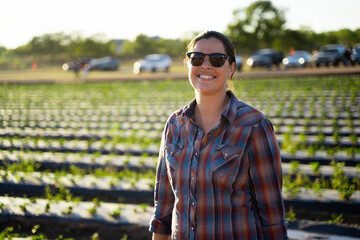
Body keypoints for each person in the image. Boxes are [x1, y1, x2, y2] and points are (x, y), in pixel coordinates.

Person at [149, 30, 288, 240]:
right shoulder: (175, 124)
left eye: (216, 59)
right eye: (196, 58)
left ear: (230, 68)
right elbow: (163, 210)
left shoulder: (254, 126)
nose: (205, 65)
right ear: (188, 65)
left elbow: (272, 215)